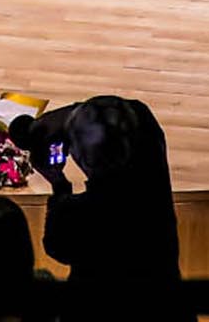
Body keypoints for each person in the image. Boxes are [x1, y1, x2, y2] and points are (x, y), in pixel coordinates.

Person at [33, 95, 191, 312]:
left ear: (81, 158)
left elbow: (58, 248)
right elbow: (138, 110)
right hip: (164, 308)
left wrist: (59, 186)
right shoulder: (150, 170)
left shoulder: (80, 213)